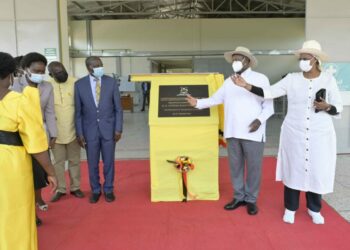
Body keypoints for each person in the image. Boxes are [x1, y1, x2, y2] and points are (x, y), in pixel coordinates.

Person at [232, 40, 343, 224]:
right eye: (301, 58)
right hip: (295, 133)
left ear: (315, 59)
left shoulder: (328, 80)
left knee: (317, 170)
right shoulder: (292, 78)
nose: (302, 61)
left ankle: (314, 209)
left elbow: (338, 108)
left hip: (320, 134)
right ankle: (290, 208)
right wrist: (247, 86)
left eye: (305, 58)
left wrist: (327, 106)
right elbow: (268, 92)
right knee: (293, 169)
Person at [186, 46, 274, 215]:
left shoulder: (260, 79)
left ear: (247, 61)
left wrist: (259, 121)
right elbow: (215, 99)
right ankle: (239, 196)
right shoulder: (228, 81)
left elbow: (269, 107)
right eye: (234, 59)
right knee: (235, 167)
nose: (235, 62)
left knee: (254, 168)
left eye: (239, 58)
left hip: (253, 132)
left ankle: (251, 199)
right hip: (233, 131)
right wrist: (197, 103)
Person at [0, 51, 57, 250]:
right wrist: (51, 172)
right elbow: (35, 144)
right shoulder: (18, 102)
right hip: (11, 167)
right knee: (15, 214)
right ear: (10, 76)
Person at [12, 52, 57, 223]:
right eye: (36, 70)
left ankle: (38, 199)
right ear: (25, 70)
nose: (39, 74)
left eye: (42, 71)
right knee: (25, 175)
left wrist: (53, 134)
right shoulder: (14, 87)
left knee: (39, 174)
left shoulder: (47, 87)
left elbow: (50, 112)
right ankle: (31, 212)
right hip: (19, 138)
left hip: (40, 135)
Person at [75, 56, 123, 203]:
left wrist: (118, 129)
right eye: (96, 65)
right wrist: (80, 133)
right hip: (90, 131)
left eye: (101, 65)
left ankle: (108, 189)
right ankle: (95, 190)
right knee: (92, 163)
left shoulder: (111, 82)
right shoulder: (79, 84)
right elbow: (78, 112)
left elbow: (118, 109)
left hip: (109, 130)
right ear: (88, 67)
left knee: (109, 162)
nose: (100, 67)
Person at [48, 61, 84, 202]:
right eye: (57, 73)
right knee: (58, 162)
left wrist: (82, 132)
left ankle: (75, 187)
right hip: (55, 133)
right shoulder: (46, 86)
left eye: (62, 70)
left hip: (73, 131)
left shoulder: (76, 83)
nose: (61, 74)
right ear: (51, 74)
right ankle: (60, 189)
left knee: (75, 161)